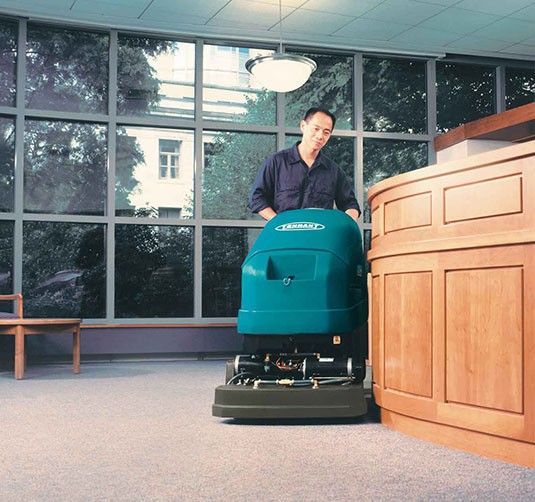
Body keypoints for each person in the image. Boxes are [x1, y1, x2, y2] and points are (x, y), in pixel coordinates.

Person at [248, 107, 360, 223]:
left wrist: (344, 224)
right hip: (283, 236)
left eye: (326, 132)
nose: (320, 136)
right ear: (303, 126)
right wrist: (278, 222)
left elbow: (350, 204)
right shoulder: (276, 162)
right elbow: (256, 198)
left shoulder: (334, 171)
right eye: (316, 129)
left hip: (320, 237)